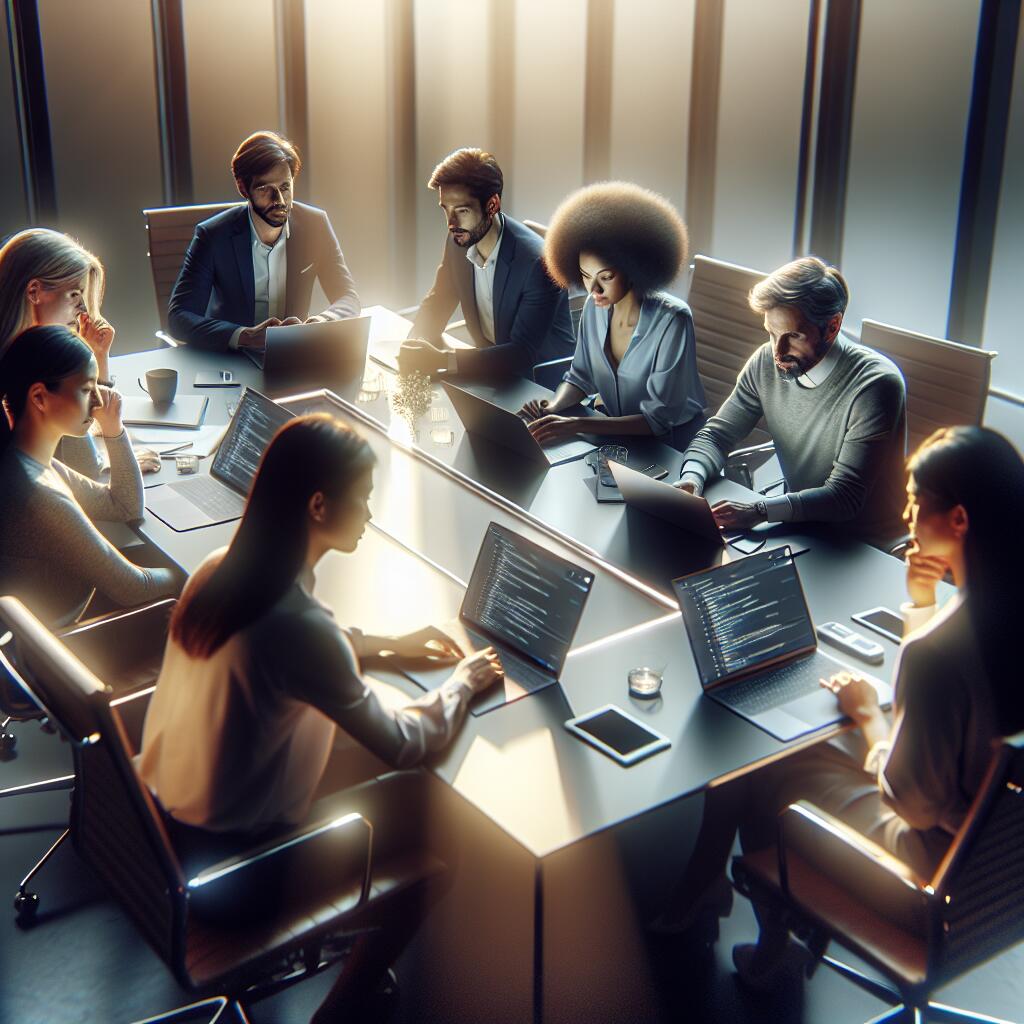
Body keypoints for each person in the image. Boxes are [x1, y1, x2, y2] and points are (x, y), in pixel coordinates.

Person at [137, 413, 503, 1015]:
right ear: (317, 505)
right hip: (239, 879)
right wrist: (462, 683)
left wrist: (381, 642)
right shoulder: (302, 628)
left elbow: (293, 645)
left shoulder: (218, 568)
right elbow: (407, 742)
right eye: (361, 499)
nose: (368, 514)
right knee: (436, 817)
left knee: (347, 759)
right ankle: (344, 1006)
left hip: (167, 840)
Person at [658, 426, 1024, 990]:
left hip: (928, 879)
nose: (904, 514)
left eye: (915, 501)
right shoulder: (999, 623)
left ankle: (767, 931)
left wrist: (870, 718)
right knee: (827, 739)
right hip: (1002, 876)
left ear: (959, 520)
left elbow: (910, 801)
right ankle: (731, 900)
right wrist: (922, 604)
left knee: (763, 763)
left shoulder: (940, 655)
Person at [678, 257, 907, 543]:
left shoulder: (875, 384)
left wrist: (759, 511)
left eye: (793, 336)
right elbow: (717, 435)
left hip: (865, 545)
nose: (778, 351)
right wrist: (692, 478)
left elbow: (844, 497)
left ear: (833, 327)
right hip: (800, 528)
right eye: (771, 333)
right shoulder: (765, 361)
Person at [0, 326, 178, 626]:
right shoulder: (37, 494)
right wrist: (200, 570)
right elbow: (133, 588)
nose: (98, 401)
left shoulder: (26, 461)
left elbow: (123, 505)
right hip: (69, 638)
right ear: (40, 397)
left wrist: (114, 430)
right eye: (86, 389)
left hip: (68, 614)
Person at [517, 181, 706, 451]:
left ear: (634, 267)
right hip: (618, 439)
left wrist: (576, 424)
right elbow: (580, 377)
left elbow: (657, 420)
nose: (593, 289)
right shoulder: (594, 308)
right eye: (584, 276)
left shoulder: (673, 321)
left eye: (605, 277)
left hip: (673, 448)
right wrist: (553, 407)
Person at [167, 130, 360, 352]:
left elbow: (348, 297)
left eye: (285, 187)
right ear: (242, 188)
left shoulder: (315, 225)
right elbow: (179, 317)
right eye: (264, 189)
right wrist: (244, 336)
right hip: (234, 359)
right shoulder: (212, 236)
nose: (279, 200)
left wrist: (321, 323)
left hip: (294, 356)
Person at [399, 147, 574, 378]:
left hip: (540, 386)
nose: (451, 223)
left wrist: (441, 360)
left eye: (461, 210)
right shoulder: (459, 239)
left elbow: (521, 354)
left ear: (492, 205)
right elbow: (439, 301)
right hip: (488, 375)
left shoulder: (538, 264)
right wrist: (415, 344)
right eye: (446, 209)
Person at [0, 227, 159, 476]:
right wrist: (117, 468)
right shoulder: (22, 374)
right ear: (34, 292)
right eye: (74, 294)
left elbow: (78, 431)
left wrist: (97, 357)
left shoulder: (25, 357)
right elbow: (34, 477)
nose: (83, 309)